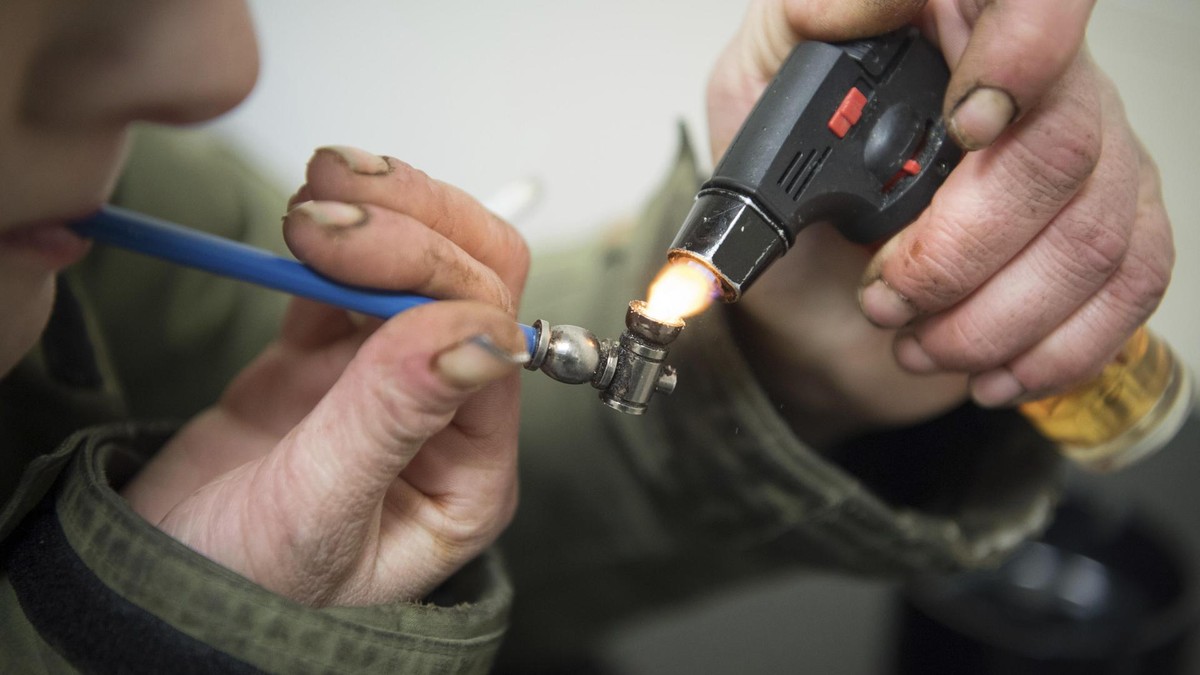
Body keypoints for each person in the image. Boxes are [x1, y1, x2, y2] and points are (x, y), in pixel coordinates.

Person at [0, 0, 1174, 672]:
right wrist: (138, 643)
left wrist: (781, 367)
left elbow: (247, 368)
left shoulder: (93, 238)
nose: (218, 66)